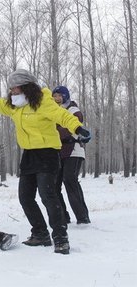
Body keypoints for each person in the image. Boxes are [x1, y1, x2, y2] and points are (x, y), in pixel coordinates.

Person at [0, 69, 91, 255]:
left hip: (48, 152)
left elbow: (62, 116)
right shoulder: (14, 105)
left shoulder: (44, 102)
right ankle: (40, 233)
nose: (12, 92)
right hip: (29, 154)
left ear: (27, 87)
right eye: (11, 89)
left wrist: (78, 128)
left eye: (15, 88)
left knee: (48, 195)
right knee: (25, 196)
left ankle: (60, 238)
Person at [52, 86, 91, 224]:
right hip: (59, 151)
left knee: (69, 179)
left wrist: (53, 132)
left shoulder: (74, 111)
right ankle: (63, 216)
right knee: (54, 184)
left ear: (65, 96)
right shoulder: (53, 111)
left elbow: (69, 129)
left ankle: (82, 217)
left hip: (74, 150)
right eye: (54, 96)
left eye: (59, 96)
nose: (56, 99)